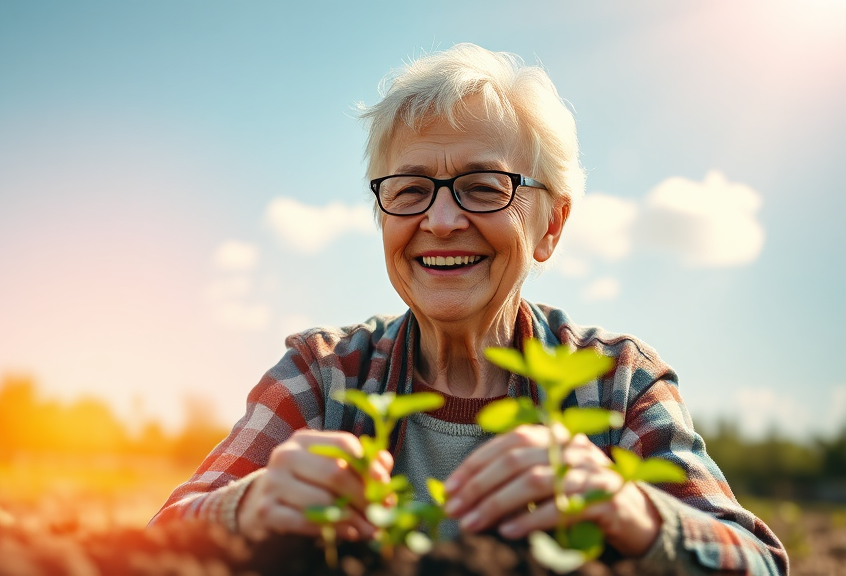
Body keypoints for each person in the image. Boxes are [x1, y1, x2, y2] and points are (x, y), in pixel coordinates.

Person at [149, 43, 788, 575]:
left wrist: (632, 511)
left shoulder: (617, 382)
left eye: (484, 187)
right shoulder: (324, 374)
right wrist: (247, 506)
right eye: (410, 190)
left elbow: (760, 561)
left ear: (551, 226)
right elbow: (156, 541)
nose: (442, 220)